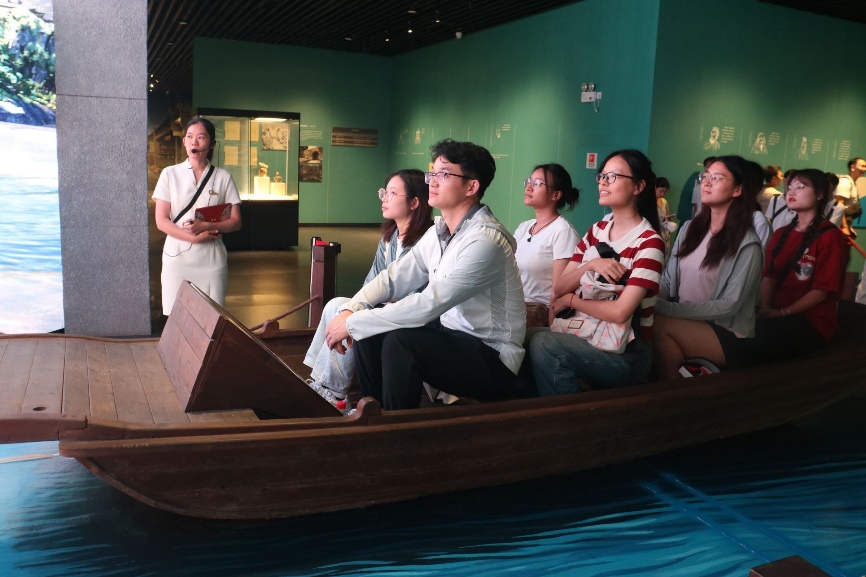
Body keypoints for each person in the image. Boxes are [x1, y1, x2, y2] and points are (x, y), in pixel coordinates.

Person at [323, 139, 526, 410]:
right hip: (452, 340)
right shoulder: (439, 232)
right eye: (433, 173)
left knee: (400, 341)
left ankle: (398, 428)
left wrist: (352, 323)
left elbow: (429, 303)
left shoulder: (486, 240)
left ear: (471, 187)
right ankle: (374, 414)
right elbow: (393, 278)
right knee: (370, 332)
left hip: (492, 359)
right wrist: (352, 308)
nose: (432, 181)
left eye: (444, 174)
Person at [529, 149, 665, 395]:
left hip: (626, 353)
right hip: (586, 332)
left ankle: (570, 416)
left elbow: (620, 312)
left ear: (638, 186)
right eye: (601, 176)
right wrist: (590, 265)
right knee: (523, 340)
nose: (602, 182)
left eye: (612, 177)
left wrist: (572, 301)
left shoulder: (649, 242)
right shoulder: (597, 230)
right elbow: (560, 286)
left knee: (544, 344)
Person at [303, 169, 432, 405]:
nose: (384, 198)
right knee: (336, 305)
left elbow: (420, 296)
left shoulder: (426, 241)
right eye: (384, 192)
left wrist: (375, 304)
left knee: (353, 317)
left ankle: (334, 392)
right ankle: (327, 384)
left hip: (409, 319)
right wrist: (361, 305)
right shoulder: (389, 239)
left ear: (414, 202)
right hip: (385, 308)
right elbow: (373, 284)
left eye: (392, 193)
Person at [652, 155, 764, 380]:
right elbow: (667, 280)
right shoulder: (689, 228)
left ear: (737, 190)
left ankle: (673, 392)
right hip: (685, 319)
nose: (706, 182)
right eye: (705, 176)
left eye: (717, 178)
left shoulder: (747, 244)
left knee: (658, 325)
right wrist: (649, 299)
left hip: (726, 331)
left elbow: (728, 305)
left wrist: (667, 309)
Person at [751, 169, 849, 361]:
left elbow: (821, 291)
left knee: (749, 342)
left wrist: (782, 313)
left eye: (800, 186)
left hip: (811, 322)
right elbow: (769, 276)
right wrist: (766, 306)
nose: (791, 191)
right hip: (776, 315)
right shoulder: (781, 233)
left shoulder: (831, 237)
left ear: (820, 194)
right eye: (789, 187)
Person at [153, 117, 242, 315]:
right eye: (190, 137)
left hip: (211, 258)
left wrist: (206, 226)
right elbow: (161, 220)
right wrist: (193, 238)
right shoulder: (169, 174)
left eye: (201, 137)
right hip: (177, 257)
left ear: (212, 143)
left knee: (211, 316)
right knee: (178, 316)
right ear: (184, 141)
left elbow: (236, 222)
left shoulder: (223, 177)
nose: (194, 142)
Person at [513, 163, 580, 327]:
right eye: (529, 181)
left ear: (555, 195)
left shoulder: (563, 231)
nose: (529, 187)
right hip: (516, 305)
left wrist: (551, 332)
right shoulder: (524, 227)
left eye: (537, 183)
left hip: (539, 310)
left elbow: (558, 291)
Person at [835, 157, 866, 237]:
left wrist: (848, 227)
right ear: (852, 167)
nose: (864, 169)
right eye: (862, 166)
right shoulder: (845, 182)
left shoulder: (852, 183)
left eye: (865, 167)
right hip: (837, 226)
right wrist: (844, 227)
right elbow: (839, 205)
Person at [655, 176, 677, 256]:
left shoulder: (664, 202)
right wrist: (662, 218)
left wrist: (667, 218)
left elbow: (665, 215)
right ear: (654, 188)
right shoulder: (647, 202)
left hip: (664, 233)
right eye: (661, 191)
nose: (662, 194)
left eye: (665, 192)